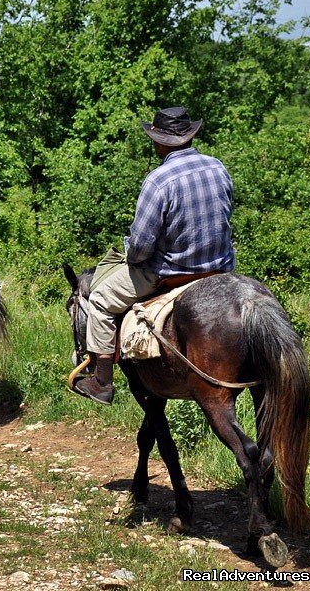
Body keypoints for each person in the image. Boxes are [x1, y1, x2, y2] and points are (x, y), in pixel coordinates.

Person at [72, 106, 236, 404]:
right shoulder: (218, 167)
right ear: (189, 137)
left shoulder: (158, 181)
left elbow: (140, 248)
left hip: (170, 272)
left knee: (100, 301)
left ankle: (102, 382)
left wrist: (131, 253)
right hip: (220, 270)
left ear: (160, 141)